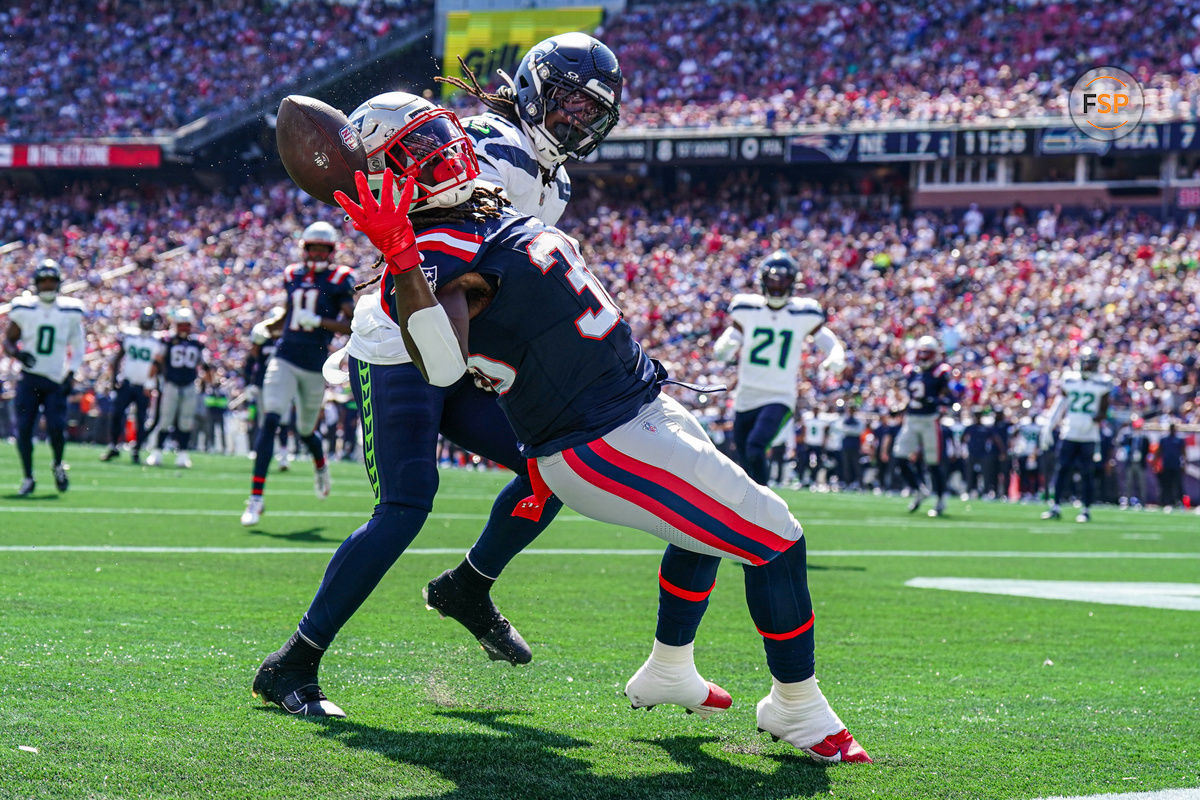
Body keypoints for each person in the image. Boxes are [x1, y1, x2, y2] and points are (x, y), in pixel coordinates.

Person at [331, 142, 870, 761]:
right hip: (597, 437)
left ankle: (670, 668)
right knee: (776, 537)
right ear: (390, 180)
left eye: (446, 140)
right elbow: (443, 365)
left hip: (638, 402)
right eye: (423, 155)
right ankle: (796, 707)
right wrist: (400, 255)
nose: (449, 158)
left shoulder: (488, 213)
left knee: (709, 529)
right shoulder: (434, 255)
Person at [251, 60, 621, 718]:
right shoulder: (487, 143)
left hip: (467, 343)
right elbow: (430, 244)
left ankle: (468, 588)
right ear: (536, 92)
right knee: (405, 506)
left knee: (555, 465)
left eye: (591, 111)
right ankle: (293, 664)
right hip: (402, 345)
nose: (576, 120)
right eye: (567, 103)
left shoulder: (549, 178)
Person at [240, 222, 355, 525]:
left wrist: (319, 321)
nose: (317, 253)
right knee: (271, 418)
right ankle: (255, 499)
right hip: (285, 356)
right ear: (305, 249)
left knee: (305, 430)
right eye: (312, 247)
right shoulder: (292, 274)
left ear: (331, 251)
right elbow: (289, 313)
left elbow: (351, 324)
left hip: (315, 364)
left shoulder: (340, 278)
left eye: (322, 248)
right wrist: (269, 326)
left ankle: (320, 465)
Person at [711, 251, 845, 486]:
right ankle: (750, 509)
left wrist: (836, 354)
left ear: (792, 283)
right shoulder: (747, 308)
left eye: (782, 281)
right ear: (763, 281)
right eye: (772, 280)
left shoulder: (803, 312)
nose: (777, 286)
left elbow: (826, 339)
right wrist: (723, 347)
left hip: (779, 396)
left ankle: (765, 505)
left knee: (755, 447)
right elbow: (732, 336)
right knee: (744, 458)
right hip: (746, 396)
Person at [3, 259, 85, 495]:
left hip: (55, 380)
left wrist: (71, 373)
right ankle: (28, 476)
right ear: (36, 283)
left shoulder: (70, 311)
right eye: (43, 281)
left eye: (51, 281)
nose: (48, 285)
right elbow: (8, 340)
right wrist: (18, 354)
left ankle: (58, 464)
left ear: (58, 283)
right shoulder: (25, 308)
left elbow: (78, 346)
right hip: (29, 379)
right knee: (25, 429)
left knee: (57, 428)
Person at [1040, 348, 1111, 523]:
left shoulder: (1104, 382)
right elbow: (1061, 402)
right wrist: (1049, 424)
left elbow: (1103, 411)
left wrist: (1092, 420)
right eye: (1086, 363)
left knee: (1087, 473)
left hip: (1089, 435)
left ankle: (1085, 509)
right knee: (1062, 470)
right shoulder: (1069, 379)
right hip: (1069, 431)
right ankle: (1055, 506)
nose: (1088, 366)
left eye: (1091, 363)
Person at [894, 335, 957, 517]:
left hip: (930, 420)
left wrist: (934, 400)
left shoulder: (940, 372)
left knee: (933, 462)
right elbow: (910, 397)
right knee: (899, 457)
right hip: (911, 419)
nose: (922, 357)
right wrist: (900, 408)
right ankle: (919, 489)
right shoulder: (911, 371)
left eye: (926, 353)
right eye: (921, 352)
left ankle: (939, 500)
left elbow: (950, 399)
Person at [145, 308, 210, 469]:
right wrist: (149, 381)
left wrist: (209, 382)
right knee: (166, 419)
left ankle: (182, 454)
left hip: (189, 385)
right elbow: (157, 361)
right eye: (181, 325)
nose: (183, 328)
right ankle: (157, 452)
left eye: (186, 325)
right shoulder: (167, 340)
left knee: (186, 421)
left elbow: (206, 365)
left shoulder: (197, 343)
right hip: (170, 384)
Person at [101, 307, 162, 464]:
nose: (147, 324)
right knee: (117, 414)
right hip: (127, 382)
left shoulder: (158, 340)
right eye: (145, 321)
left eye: (149, 322)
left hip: (145, 386)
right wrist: (114, 380)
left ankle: (136, 449)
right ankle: (114, 446)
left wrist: (153, 384)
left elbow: (159, 365)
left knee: (141, 419)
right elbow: (117, 358)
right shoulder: (130, 335)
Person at [1156, 422, 1185, 510]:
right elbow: (1159, 452)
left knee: (1177, 485)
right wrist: (1156, 463)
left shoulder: (1179, 440)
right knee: (1166, 485)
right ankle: (1166, 502)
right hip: (1166, 465)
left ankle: (1177, 501)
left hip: (1176, 465)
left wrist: (1184, 463)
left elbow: (1183, 452)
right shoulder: (1164, 439)